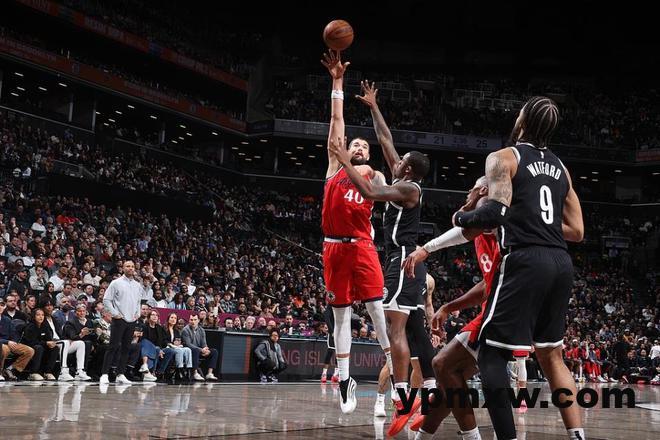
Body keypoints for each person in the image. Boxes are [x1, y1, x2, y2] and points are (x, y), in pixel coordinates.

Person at [449, 96, 585, 440]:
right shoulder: (561, 168)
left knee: (491, 354)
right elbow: (577, 231)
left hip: (525, 259)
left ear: (522, 121)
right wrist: (538, 222)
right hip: (560, 262)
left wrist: (461, 215)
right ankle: (578, 435)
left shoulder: (504, 157)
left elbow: (494, 213)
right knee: (552, 356)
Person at [320, 50, 391, 414]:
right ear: (345, 149)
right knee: (341, 316)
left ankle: (395, 365)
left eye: (365, 146)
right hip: (334, 248)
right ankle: (345, 379)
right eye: (355, 144)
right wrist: (337, 82)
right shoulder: (336, 165)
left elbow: (390, 188)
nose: (360, 146)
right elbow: (337, 121)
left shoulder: (376, 177)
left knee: (377, 310)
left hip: (363, 247)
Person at [100, 260, 152, 385]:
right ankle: (104, 374)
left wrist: (137, 313)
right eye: (128, 266)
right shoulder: (116, 283)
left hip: (132, 320)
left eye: (132, 266)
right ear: (123, 268)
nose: (130, 268)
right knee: (113, 347)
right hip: (119, 319)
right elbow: (106, 300)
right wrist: (115, 313)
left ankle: (120, 374)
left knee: (126, 348)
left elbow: (138, 301)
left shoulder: (137, 285)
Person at [1, 297, 35, 380]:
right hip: (3, 343)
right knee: (4, 349)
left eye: (1, 305)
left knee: (29, 351)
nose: (0, 307)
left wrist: (14, 342)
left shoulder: (7, 319)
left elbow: (14, 334)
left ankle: (11, 369)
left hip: (9, 343)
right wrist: (7, 342)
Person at [23, 308, 60, 381]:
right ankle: (33, 372)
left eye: (42, 315)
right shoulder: (30, 326)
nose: (41, 317)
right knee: (39, 347)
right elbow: (31, 342)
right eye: (38, 315)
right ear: (34, 316)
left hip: (42, 346)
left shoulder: (45, 326)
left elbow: (48, 339)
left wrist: (51, 343)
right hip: (30, 346)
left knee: (55, 348)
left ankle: (48, 372)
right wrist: (46, 343)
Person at [181, 313, 219, 381]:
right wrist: (201, 350)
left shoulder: (201, 330)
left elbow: (204, 343)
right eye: (191, 320)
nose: (193, 322)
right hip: (190, 350)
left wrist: (206, 349)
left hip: (200, 350)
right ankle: (195, 373)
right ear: (189, 320)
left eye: (195, 320)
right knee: (195, 350)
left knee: (214, 351)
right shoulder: (185, 330)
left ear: (198, 320)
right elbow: (188, 344)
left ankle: (209, 373)